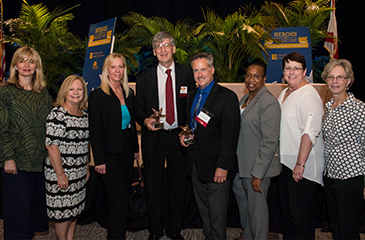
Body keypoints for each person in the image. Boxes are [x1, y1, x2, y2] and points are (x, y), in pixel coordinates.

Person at [135, 31, 195, 240]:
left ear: (174, 49)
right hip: (154, 138)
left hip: (179, 138)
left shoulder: (187, 73)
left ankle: (174, 230)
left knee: (178, 186)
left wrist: (190, 129)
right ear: (153, 52)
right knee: (153, 187)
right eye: (158, 46)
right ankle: (155, 230)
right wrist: (145, 120)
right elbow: (138, 108)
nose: (162, 49)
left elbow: (193, 103)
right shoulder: (144, 78)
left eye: (166, 44)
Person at [180, 52, 240, 240]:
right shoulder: (192, 96)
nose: (199, 74)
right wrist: (185, 135)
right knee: (204, 214)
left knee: (217, 217)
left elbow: (230, 136)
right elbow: (193, 127)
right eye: (195, 70)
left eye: (203, 69)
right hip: (197, 165)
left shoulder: (227, 97)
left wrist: (223, 166)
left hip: (217, 168)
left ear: (212, 70)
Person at [0, 46, 53, 240]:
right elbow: (2, 128)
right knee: (17, 217)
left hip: (39, 164)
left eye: (31, 61)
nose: (26, 65)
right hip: (16, 163)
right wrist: (7, 158)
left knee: (31, 216)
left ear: (37, 66)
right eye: (22, 61)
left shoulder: (44, 95)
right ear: (14, 65)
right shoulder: (7, 92)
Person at [88, 53, 139, 239]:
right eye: (113, 67)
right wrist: (99, 160)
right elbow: (95, 131)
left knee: (123, 197)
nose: (117, 70)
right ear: (106, 70)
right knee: (119, 199)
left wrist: (135, 149)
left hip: (126, 151)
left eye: (121, 67)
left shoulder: (128, 93)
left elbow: (131, 125)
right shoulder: (97, 96)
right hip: (108, 155)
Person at [232, 60, 281, 240]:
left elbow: (269, 141)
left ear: (264, 78)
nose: (251, 79)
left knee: (258, 214)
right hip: (241, 167)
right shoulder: (245, 99)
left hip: (257, 170)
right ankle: (247, 236)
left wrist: (258, 174)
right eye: (248, 75)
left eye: (257, 76)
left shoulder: (268, 102)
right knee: (245, 210)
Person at [277, 52, 324, 239]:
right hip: (286, 164)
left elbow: (310, 132)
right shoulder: (284, 92)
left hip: (302, 165)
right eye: (288, 68)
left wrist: (300, 163)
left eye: (296, 68)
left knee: (301, 219)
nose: (291, 72)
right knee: (288, 217)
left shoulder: (308, 95)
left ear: (305, 71)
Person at [321, 59, 365, 239]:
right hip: (331, 177)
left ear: (348, 81)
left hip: (350, 178)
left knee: (348, 230)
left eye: (340, 77)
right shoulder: (328, 108)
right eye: (330, 77)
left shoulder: (358, 108)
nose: (334, 81)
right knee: (337, 228)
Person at [44, 75, 89, 240]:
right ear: (64, 91)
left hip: (78, 174)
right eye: (71, 89)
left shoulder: (83, 115)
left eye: (79, 89)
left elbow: (84, 145)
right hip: (60, 174)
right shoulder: (57, 114)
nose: (76, 93)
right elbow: (51, 146)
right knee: (63, 214)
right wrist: (61, 175)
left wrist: (86, 168)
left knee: (74, 211)